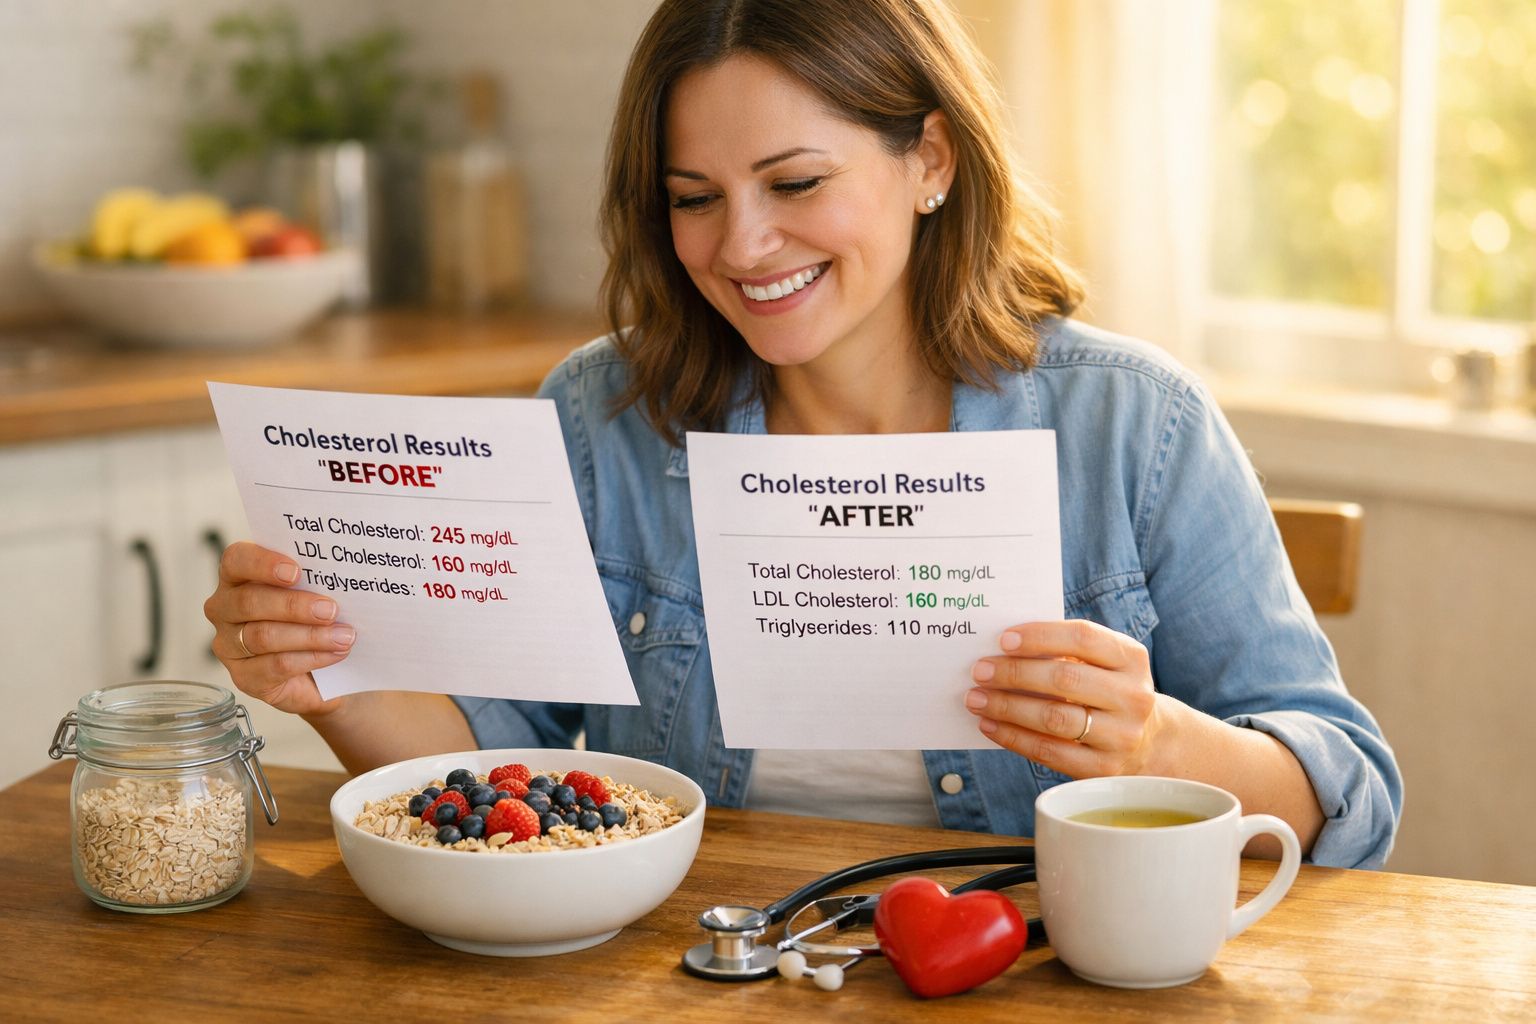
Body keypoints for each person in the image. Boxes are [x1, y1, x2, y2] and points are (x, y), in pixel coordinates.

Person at [204, 0, 1402, 868]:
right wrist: (332, 686)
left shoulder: (1136, 424)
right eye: (694, 198)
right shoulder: (601, 417)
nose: (742, 246)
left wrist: (1155, 741)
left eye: (794, 183)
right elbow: (490, 772)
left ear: (929, 159)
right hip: (692, 977)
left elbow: (1346, 797)